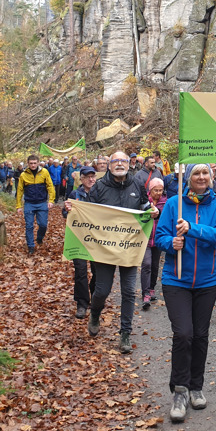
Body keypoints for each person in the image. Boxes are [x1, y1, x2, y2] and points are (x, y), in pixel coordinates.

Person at [154, 164, 216, 423]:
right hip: (176, 280)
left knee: (200, 335)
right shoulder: (175, 204)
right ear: (188, 178)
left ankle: (196, 386)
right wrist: (170, 242)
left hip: (208, 281)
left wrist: (191, 229)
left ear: (210, 178)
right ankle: (180, 390)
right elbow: (160, 236)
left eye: (204, 173)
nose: (200, 177)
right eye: (195, 173)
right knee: (183, 333)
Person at [66, 151, 153, 354]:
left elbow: (144, 206)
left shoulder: (136, 185)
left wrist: (152, 211)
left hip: (129, 248)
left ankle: (125, 334)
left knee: (129, 292)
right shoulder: (99, 186)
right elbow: (87, 211)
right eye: (116, 161)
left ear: (128, 164)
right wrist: (71, 208)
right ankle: (95, 314)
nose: (120, 164)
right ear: (109, 165)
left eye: (123, 161)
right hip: (104, 248)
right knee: (102, 290)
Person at [63, 166, 99, 318]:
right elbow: (65, 213)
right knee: (80, 271)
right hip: (78, 238)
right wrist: (67, 209)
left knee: (98, 272)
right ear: (81, 179)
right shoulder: (74, 194)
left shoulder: (100, 193)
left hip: (97, 239)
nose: (91, 179)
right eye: (87, 177)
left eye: (93, 176)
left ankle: (95, 297)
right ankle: (82, 303)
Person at [16, 154, 55, 255]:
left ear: (38, 163)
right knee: (29, 226)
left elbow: (50, 186)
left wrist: (51, 200)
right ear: (28, 164)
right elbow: (19, 191)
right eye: (31, 163)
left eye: (34, 163)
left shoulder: (44, 172)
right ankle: (30, 246)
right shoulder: (23, 175)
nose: (33, 165)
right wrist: (18, 206)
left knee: (43, 225)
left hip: (42, 203)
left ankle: (39, 238)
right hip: (29, 203)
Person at [141, 177, 167, 311]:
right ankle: (145, 293)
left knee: (155, 265)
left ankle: (151, 288)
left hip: (158, 238)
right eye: (155, 190)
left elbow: (167, 217)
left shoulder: (165, 202)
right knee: (146, 264)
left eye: (160, 190)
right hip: (145, 237)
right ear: (150, 190)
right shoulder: (143, 200)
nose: (158, 193)